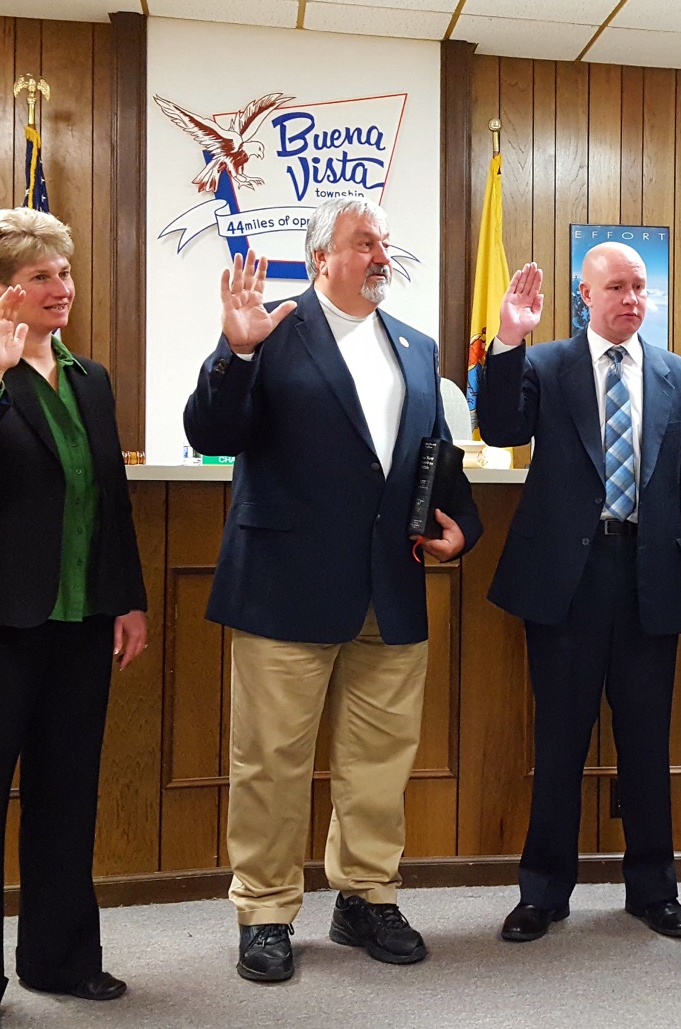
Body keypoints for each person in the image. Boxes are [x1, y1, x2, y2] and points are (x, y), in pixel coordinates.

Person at [184, 196, 482, 983]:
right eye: (363, 244)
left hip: (392, 587)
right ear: (322, 259)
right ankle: (265, 909)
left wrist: (463, 526)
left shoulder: (416, 348)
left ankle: (365, 895)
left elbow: (435, 453)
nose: (381, 255)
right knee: (271, 762)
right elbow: (211, 433)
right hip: (285, 586)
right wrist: (236, 354)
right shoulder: (273, 336)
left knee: (380, 762)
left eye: (385, 242)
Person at [0, 208, 149, 1029]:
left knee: (67, 796)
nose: (63, 289)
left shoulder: (90, 377)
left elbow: (108, 499)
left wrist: (127, 598)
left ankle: (60, 957)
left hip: (81, 620)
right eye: (42, 276)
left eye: (65, 272)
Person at [478, 246, 681, 943]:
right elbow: (501, 429)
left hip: (651, 576)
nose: (632, 298)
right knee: (560, 740)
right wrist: (509, 341)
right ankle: (543, 893)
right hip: (566, 579)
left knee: (647, 742)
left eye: (641, 287)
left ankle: (653, 888)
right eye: (617, 286)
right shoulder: (547, 365)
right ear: (585, 293)